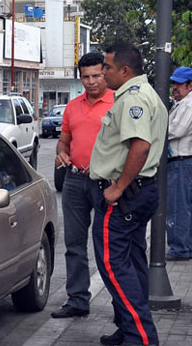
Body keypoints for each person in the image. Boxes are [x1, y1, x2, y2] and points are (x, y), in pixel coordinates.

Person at [89, 43, 166, 346]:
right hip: (140, 193)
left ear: (125, 70)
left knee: (113, 265)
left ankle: (141, 337)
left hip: (125, 197)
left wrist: (118, 187)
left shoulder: (133, 99)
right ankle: (128, 326)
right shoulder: (147, 95)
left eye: (107, 67)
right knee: (133, 264)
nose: (103, 72)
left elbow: (141, 146)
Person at [51, 52, 114, 319]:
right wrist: (61, 154)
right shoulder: (72, 106)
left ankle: (120, 305)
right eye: (86, 77)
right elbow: (64, 142)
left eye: (96, 75)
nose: (91, 82)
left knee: (108, 247)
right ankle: (77, 300)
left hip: (105, 183)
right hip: (75, 181)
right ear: (80, 78)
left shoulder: (117, 102)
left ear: (105, 74)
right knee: (74, 244)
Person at [166, 66, 192, 261]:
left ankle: (180, 248)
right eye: (173, 83)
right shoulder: (181, 103)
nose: (175, 87)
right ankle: (184, 246)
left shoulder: (188, 105)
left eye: (179, 84)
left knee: (178, 207)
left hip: (182, 162)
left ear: (190, 85)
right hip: (179, 162)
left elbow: (175, 130)